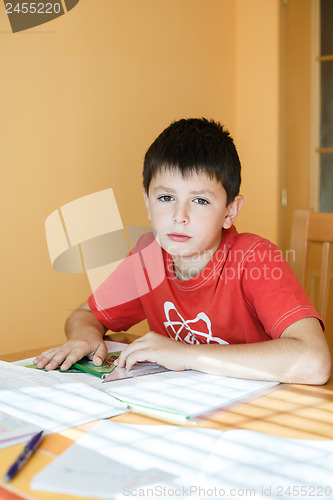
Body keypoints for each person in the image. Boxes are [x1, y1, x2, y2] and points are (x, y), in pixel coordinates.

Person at [35, 118, 331, 384]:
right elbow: (85, 314)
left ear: (230, 211)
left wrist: (186, 355)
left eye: (200, 201)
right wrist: (85, 334)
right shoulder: (149, 258)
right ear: (147, 203)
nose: (180, 216)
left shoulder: (255, 257)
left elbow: (314, 362)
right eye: (166, 197)